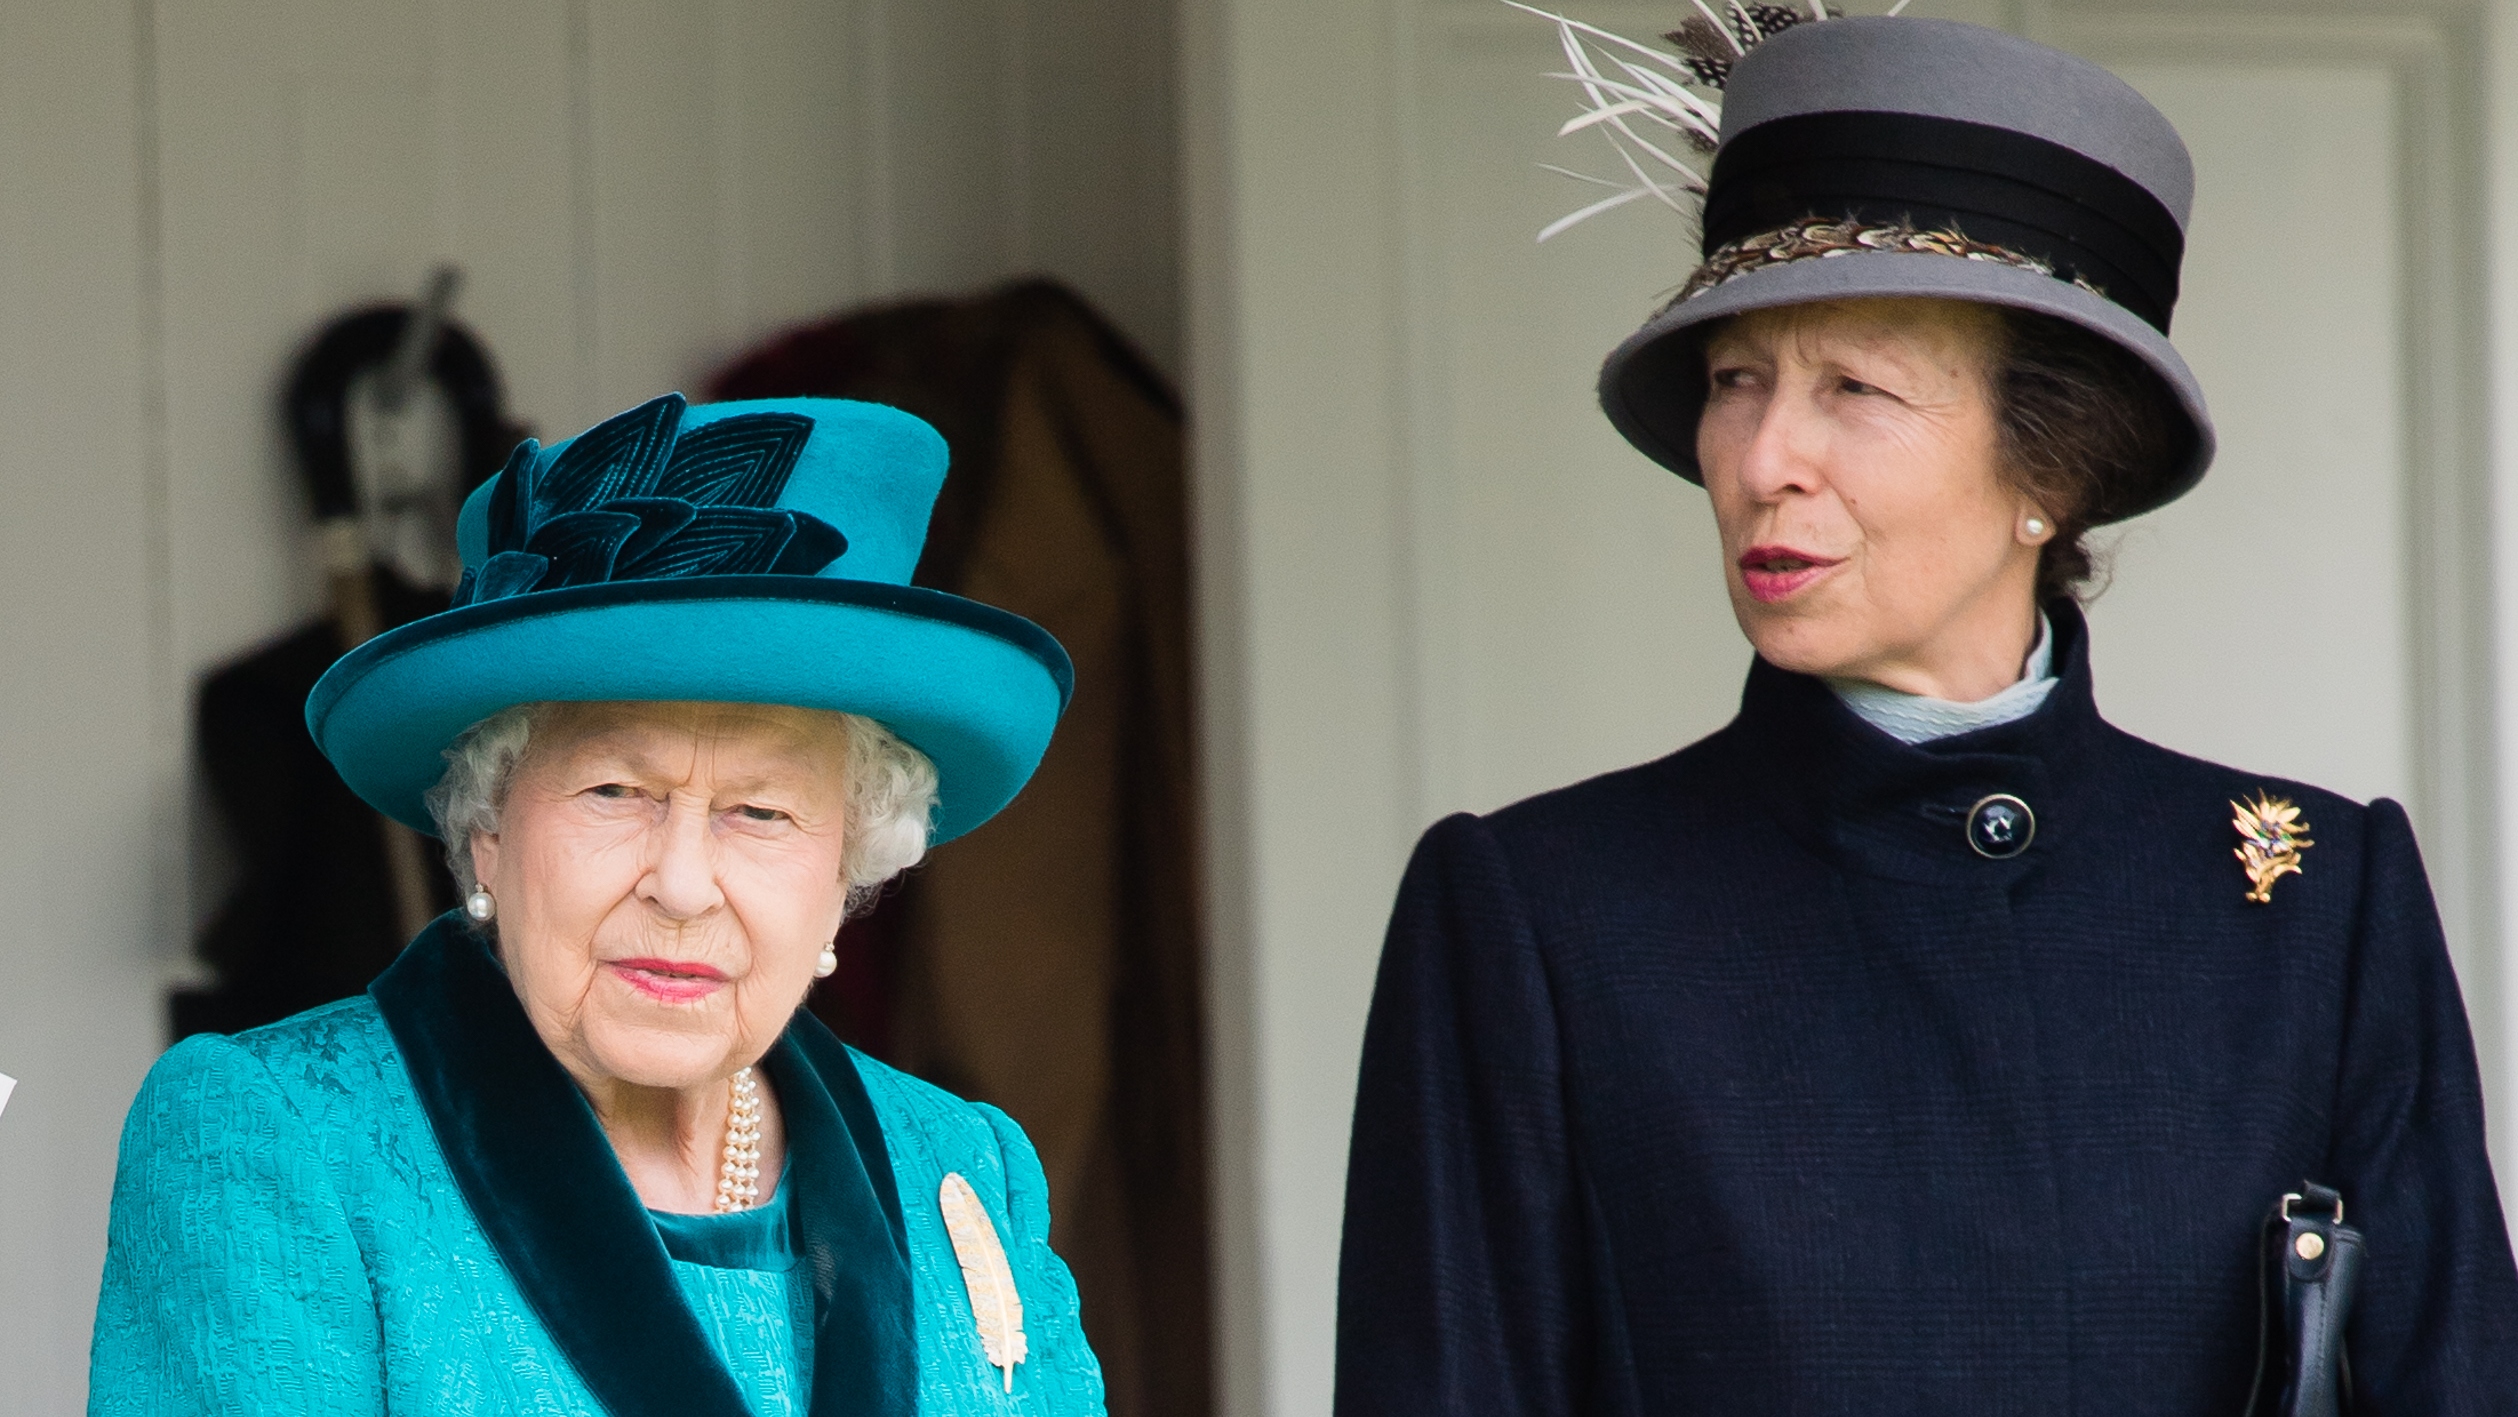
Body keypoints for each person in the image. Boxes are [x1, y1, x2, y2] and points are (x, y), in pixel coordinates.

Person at [1335, 14, 2518, 1415]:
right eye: (1734, 382)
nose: (1764, 458)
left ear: (2050, 469)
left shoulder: (2312, 899)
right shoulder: (1535, 914)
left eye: (1853, 387)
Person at [91, 392, 1107, 1415]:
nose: (679, 881)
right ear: (488, 829)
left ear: (843, 875)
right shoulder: (278, 1140)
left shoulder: (962, 1172)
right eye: (615, 792)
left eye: (759, 811)